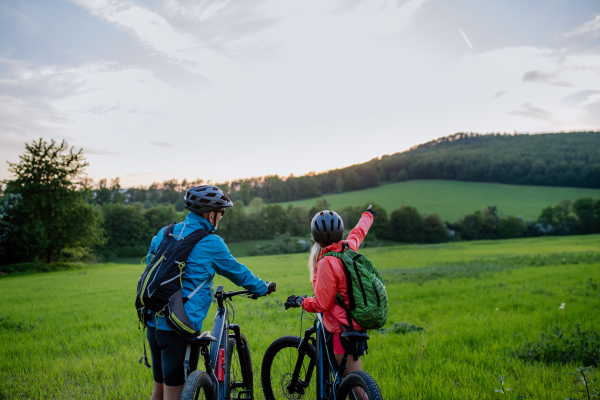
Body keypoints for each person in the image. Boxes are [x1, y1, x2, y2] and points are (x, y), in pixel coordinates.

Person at [146, 185, 275, 400]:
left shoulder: (164, 233)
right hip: (178, 329)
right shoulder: (210, 242)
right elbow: (238, 272)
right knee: (174, 396)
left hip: (153, 324)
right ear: (210, 213)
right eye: (222, 212)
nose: (222, 216)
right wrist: (262, 287)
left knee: (158, 393)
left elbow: (151, 266)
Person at [285, 205, 377, 376]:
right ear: (341, 233)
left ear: (316, 237)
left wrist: (301, 301)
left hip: (342, 329)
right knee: (348, 385)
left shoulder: (326, 262)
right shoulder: (347, 248)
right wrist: (368, 215)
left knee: (356, 390)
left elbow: (322, 304)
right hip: (355, 323)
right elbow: (358, 233)